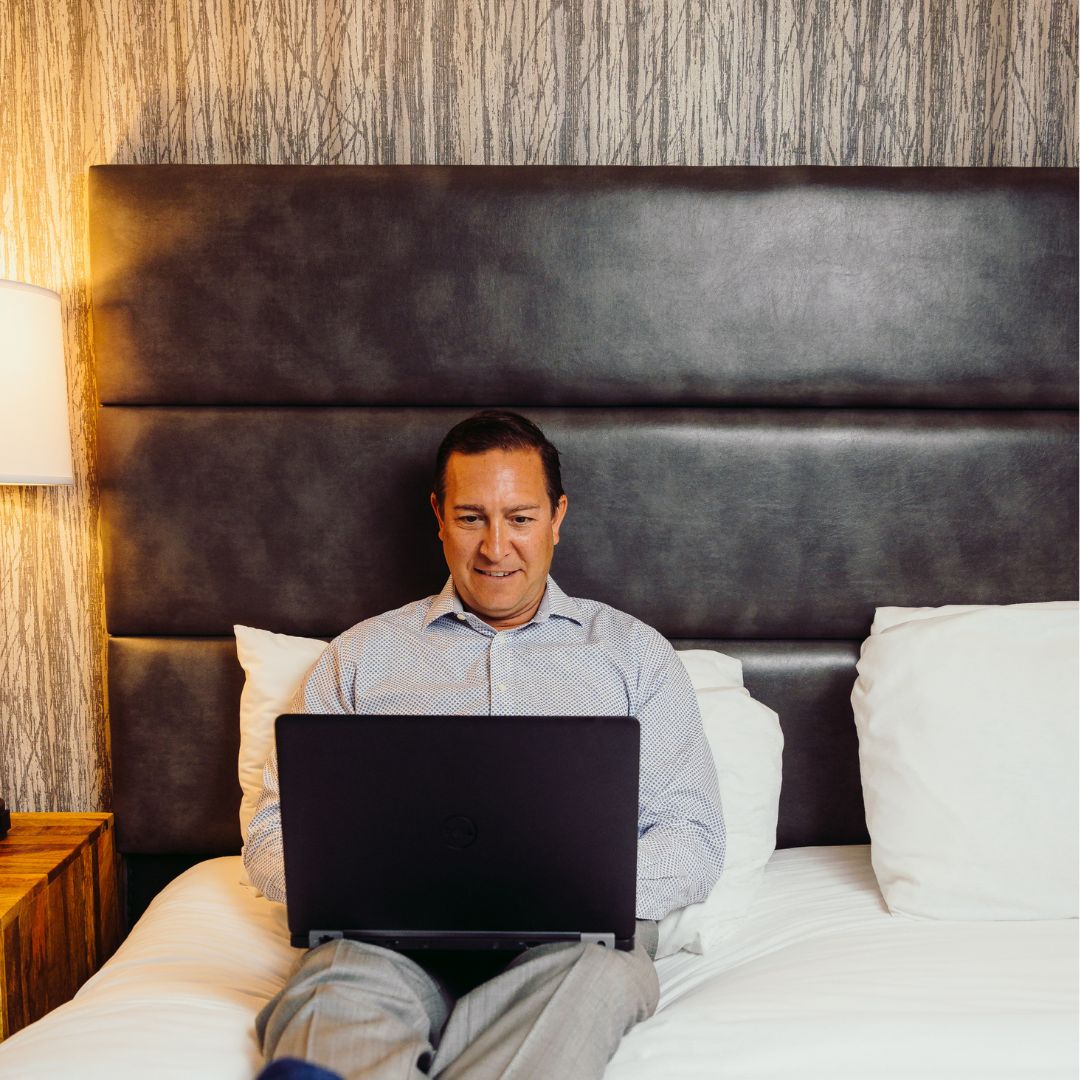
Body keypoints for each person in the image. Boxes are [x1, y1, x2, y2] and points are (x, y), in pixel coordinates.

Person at [244, 410, 726, 1080]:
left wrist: (561, 895)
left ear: (558, 516)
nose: (496, 547)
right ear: (439, 516)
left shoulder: (634, 657)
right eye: (472, 518)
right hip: (387, 946)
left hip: (569, 949)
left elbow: (692, 835)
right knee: (332, 994)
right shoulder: (358, 659)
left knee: (598, 976)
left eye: (520, 518)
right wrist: (368, 891)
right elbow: (272, 832)